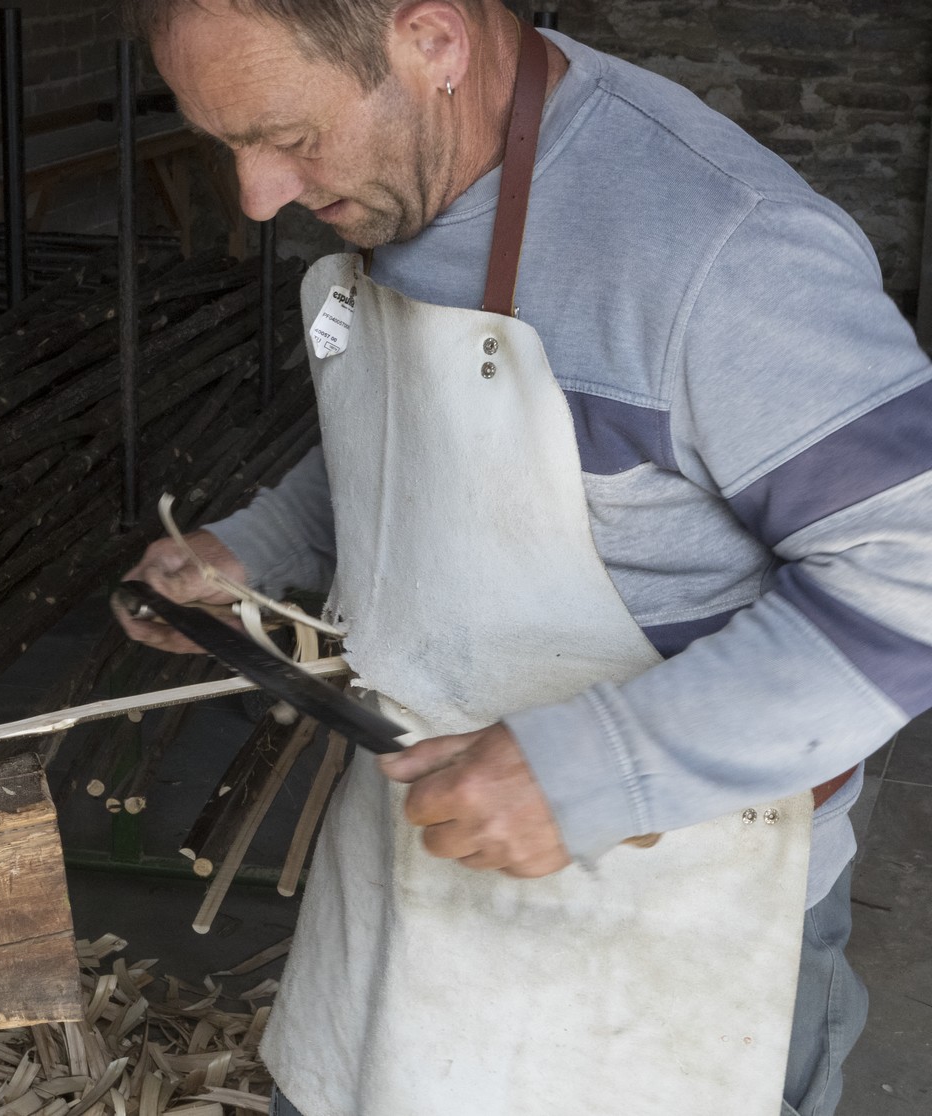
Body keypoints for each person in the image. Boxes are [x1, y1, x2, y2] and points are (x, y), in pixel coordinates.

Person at [114, 3, 932, 1115]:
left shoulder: (719, 249)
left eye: (289, 138)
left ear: (434, 42)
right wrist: (257, 544)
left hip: (675, 924)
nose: (258, 198)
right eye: (229, 147)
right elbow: (435, 432)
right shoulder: (415, 169)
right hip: (410, 886)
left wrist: (605, 766)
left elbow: (910, 570)